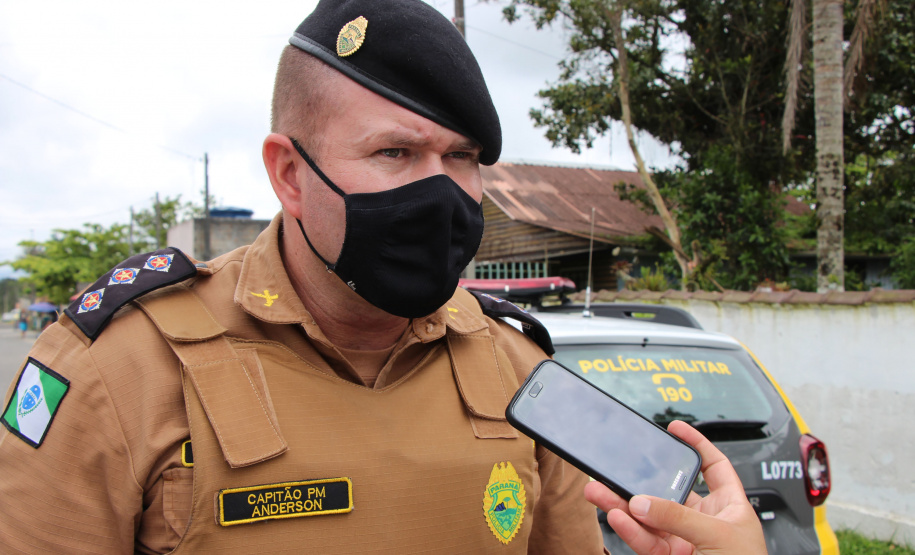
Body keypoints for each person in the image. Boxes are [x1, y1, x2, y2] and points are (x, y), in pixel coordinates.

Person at [0, 1, 765, 553]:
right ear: (290, 174)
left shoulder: (514, 368)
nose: (440, 192)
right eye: (395, 154)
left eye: (460, 157)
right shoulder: (116, 370)